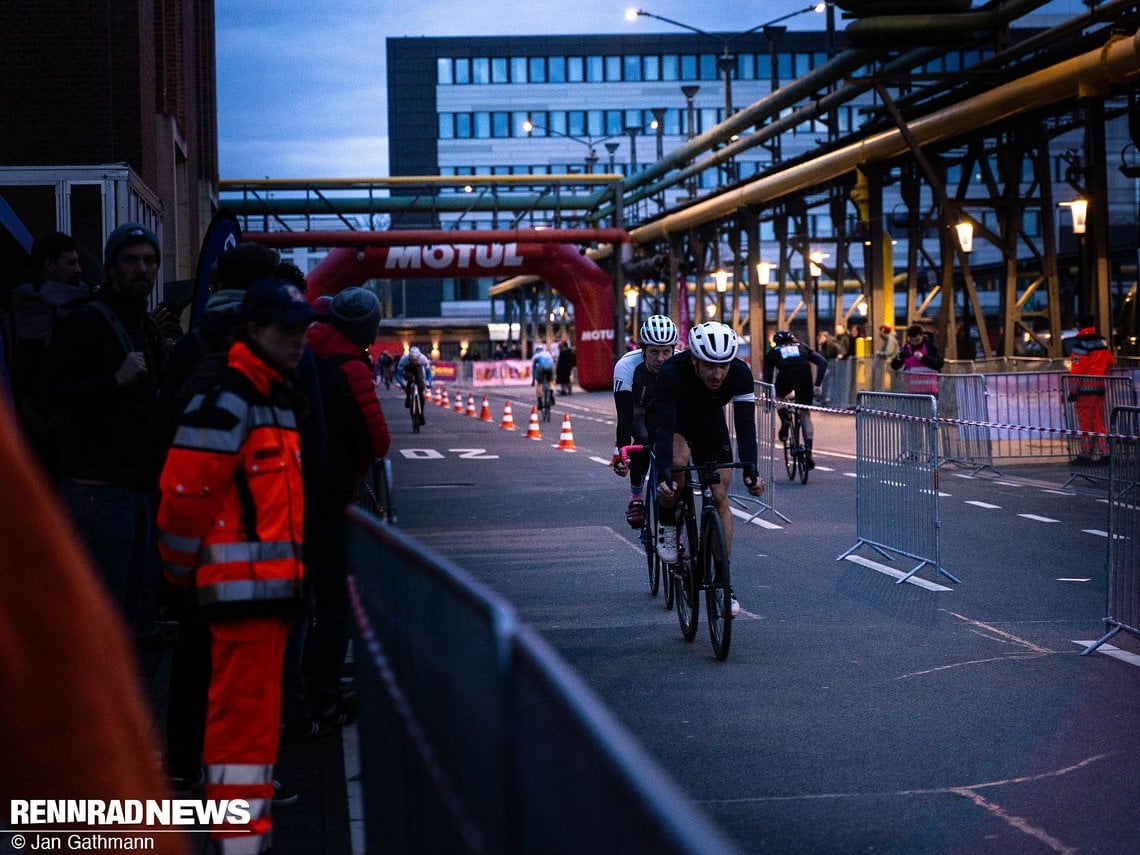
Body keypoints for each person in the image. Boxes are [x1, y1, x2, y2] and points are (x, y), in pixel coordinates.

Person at [157, 278, 313, 851]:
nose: (297, 340)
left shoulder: (272, 393)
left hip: (266, 595)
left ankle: (244, 838)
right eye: (285, 329)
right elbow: (183, 497)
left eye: (302, 329)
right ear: (251, 330)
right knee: (241, 731)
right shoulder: (229, 396)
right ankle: (239, 841)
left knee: (251, 729)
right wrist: (180, 575)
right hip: (240, 595)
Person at [36, 223, 165, 633]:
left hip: (134, 485)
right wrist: (113, 380)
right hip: (97, 489)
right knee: (100, 614)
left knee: (129, 610)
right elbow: (48, 393)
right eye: (131, 260)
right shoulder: (88, 321)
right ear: (110, 269)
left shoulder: (142, 324)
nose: (141, 269)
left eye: (149, 261)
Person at [304, 288, 390, 728]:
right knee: (335, 603)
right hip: (331, 492)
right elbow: (377, 440)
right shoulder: (350, 365)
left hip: (298, 489)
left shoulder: (309, 350)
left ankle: (305, 692)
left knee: (304, 606)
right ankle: (324, 696)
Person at [654, 322, 766, 617]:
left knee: (719, 495)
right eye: (709, 366)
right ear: (694, 360)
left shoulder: (740, 374)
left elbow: (745, 425)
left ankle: (722, 582)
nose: (717, 374)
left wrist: (751, 469)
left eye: (723, 366)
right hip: (676, 423)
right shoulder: (671, 373)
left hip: (710, 426)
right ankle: (667, 519)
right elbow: (663, 427)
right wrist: (665, 471)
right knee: (676, 472)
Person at [3, 230, 92, 476]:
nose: (78, 269)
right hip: (48, 421)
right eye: (70, 262)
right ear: (50, 265)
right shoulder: (40, 308)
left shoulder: (23, 302)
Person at [612, 315, 678, 528]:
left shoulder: (682, 364)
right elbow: (624, 418)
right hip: (639, 409)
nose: (660, 358)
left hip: (668, 408)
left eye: (666, 352)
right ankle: (636, 494)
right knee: (642, 438)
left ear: (674, 350)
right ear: (643, 351)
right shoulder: (626, 366)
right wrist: (622, 455)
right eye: (654, 352)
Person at [763, 329, 828, 470]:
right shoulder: (802, 346)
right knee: (805, 415)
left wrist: (769, 401)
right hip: (805, 377)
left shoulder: (773, 352)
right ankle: (809, 454)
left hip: (785, 377)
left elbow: (768, 379)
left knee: (779, 396)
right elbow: (823, 362)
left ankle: (785, 419)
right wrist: (817, 385)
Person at [1067, 312, 1115, 464]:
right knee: (1098, 420)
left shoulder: (1081, 343)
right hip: (1099, 387)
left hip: (1085, 391)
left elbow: (1077, 370)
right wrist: (1099, 373)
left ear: (1079, 325)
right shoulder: (1101, 341)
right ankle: (1106, 453)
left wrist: (1073, 391)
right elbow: (1110, 361)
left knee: (1085, 422)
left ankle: (1086, 454)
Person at [890, 324, 944, 395]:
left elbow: (939, 364)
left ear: (922, 336)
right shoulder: (907, 348)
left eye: (917, 340)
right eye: (912, 340)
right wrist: (899, 357)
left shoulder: (930, 346)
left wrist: (923, 358)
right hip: (911, 391)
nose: (915, 343)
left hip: (929, 391)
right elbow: (894, 366)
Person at [397, 345, 433, 424]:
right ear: (409, 357)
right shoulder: (403, 360)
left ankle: (421, 415)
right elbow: (398, 375)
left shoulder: (423, 359)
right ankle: (408, 397)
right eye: (412, 360)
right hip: (408, 370)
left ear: (419, 357)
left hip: (418, 370)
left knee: (421, 388)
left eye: (416, 360)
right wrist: (403, 385)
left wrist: (428, 383)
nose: (414, 361)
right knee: (409, 379)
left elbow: (429, 374)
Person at [532, 342, 555, 409]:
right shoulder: (548, 353)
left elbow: (534, 369)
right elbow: (553, 362)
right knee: (550, 381)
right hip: (550, 368)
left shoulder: (536, 356)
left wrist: (533, 380)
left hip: (542, 369)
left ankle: (540, 403)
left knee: (539, 384)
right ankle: (551, 393)